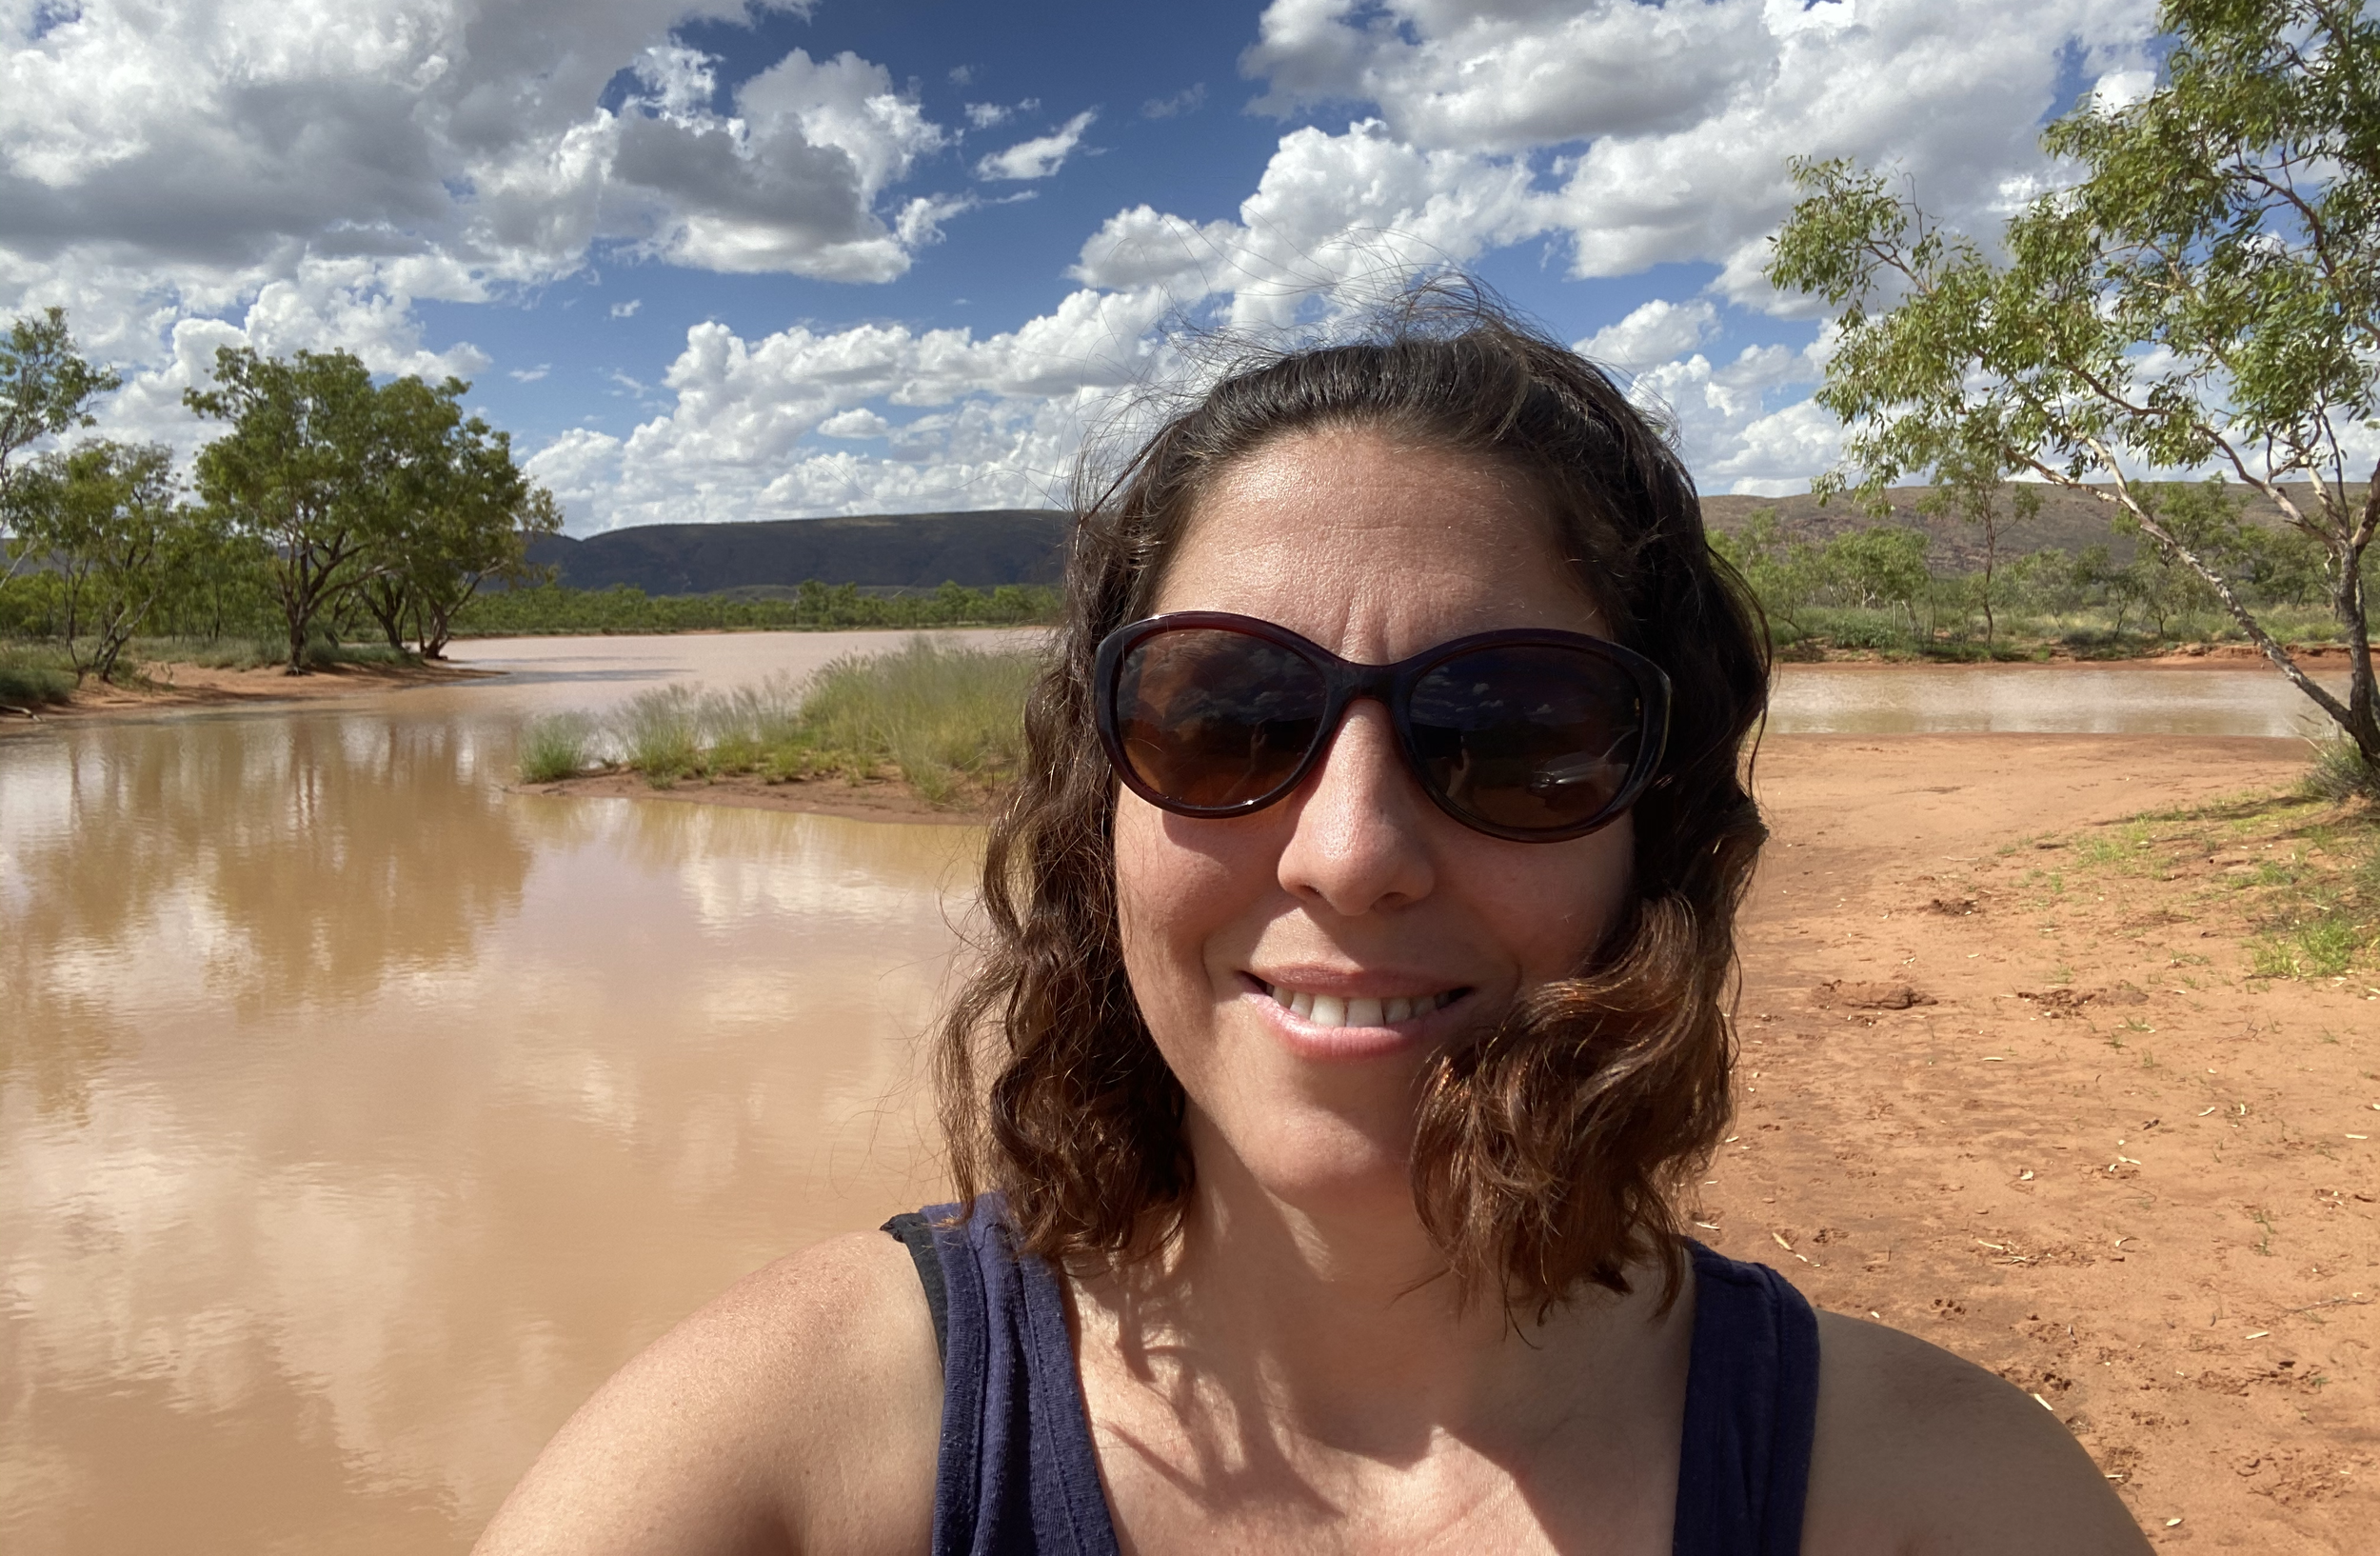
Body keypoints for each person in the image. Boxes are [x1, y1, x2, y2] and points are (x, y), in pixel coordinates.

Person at [477, 289, 2151, 1554]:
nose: (1351, 853)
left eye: (1508, 727)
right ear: (1100, 814)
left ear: (1660, 823)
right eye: (1228, 715)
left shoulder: (1936, 1499)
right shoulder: (794, 1459)